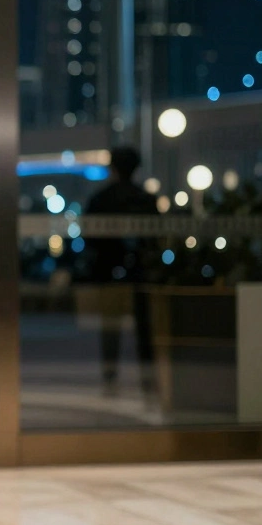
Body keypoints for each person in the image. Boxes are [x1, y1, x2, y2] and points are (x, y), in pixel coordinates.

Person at [83, 146, 160, 401]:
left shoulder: (100, 199)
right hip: (140, 272)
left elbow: (90, 239)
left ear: (112, 167)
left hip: (108, 272)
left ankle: (110, 378)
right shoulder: (146, 200)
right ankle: (148, 382)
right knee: (145, 330)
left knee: (110, 328)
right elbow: (156, 241)